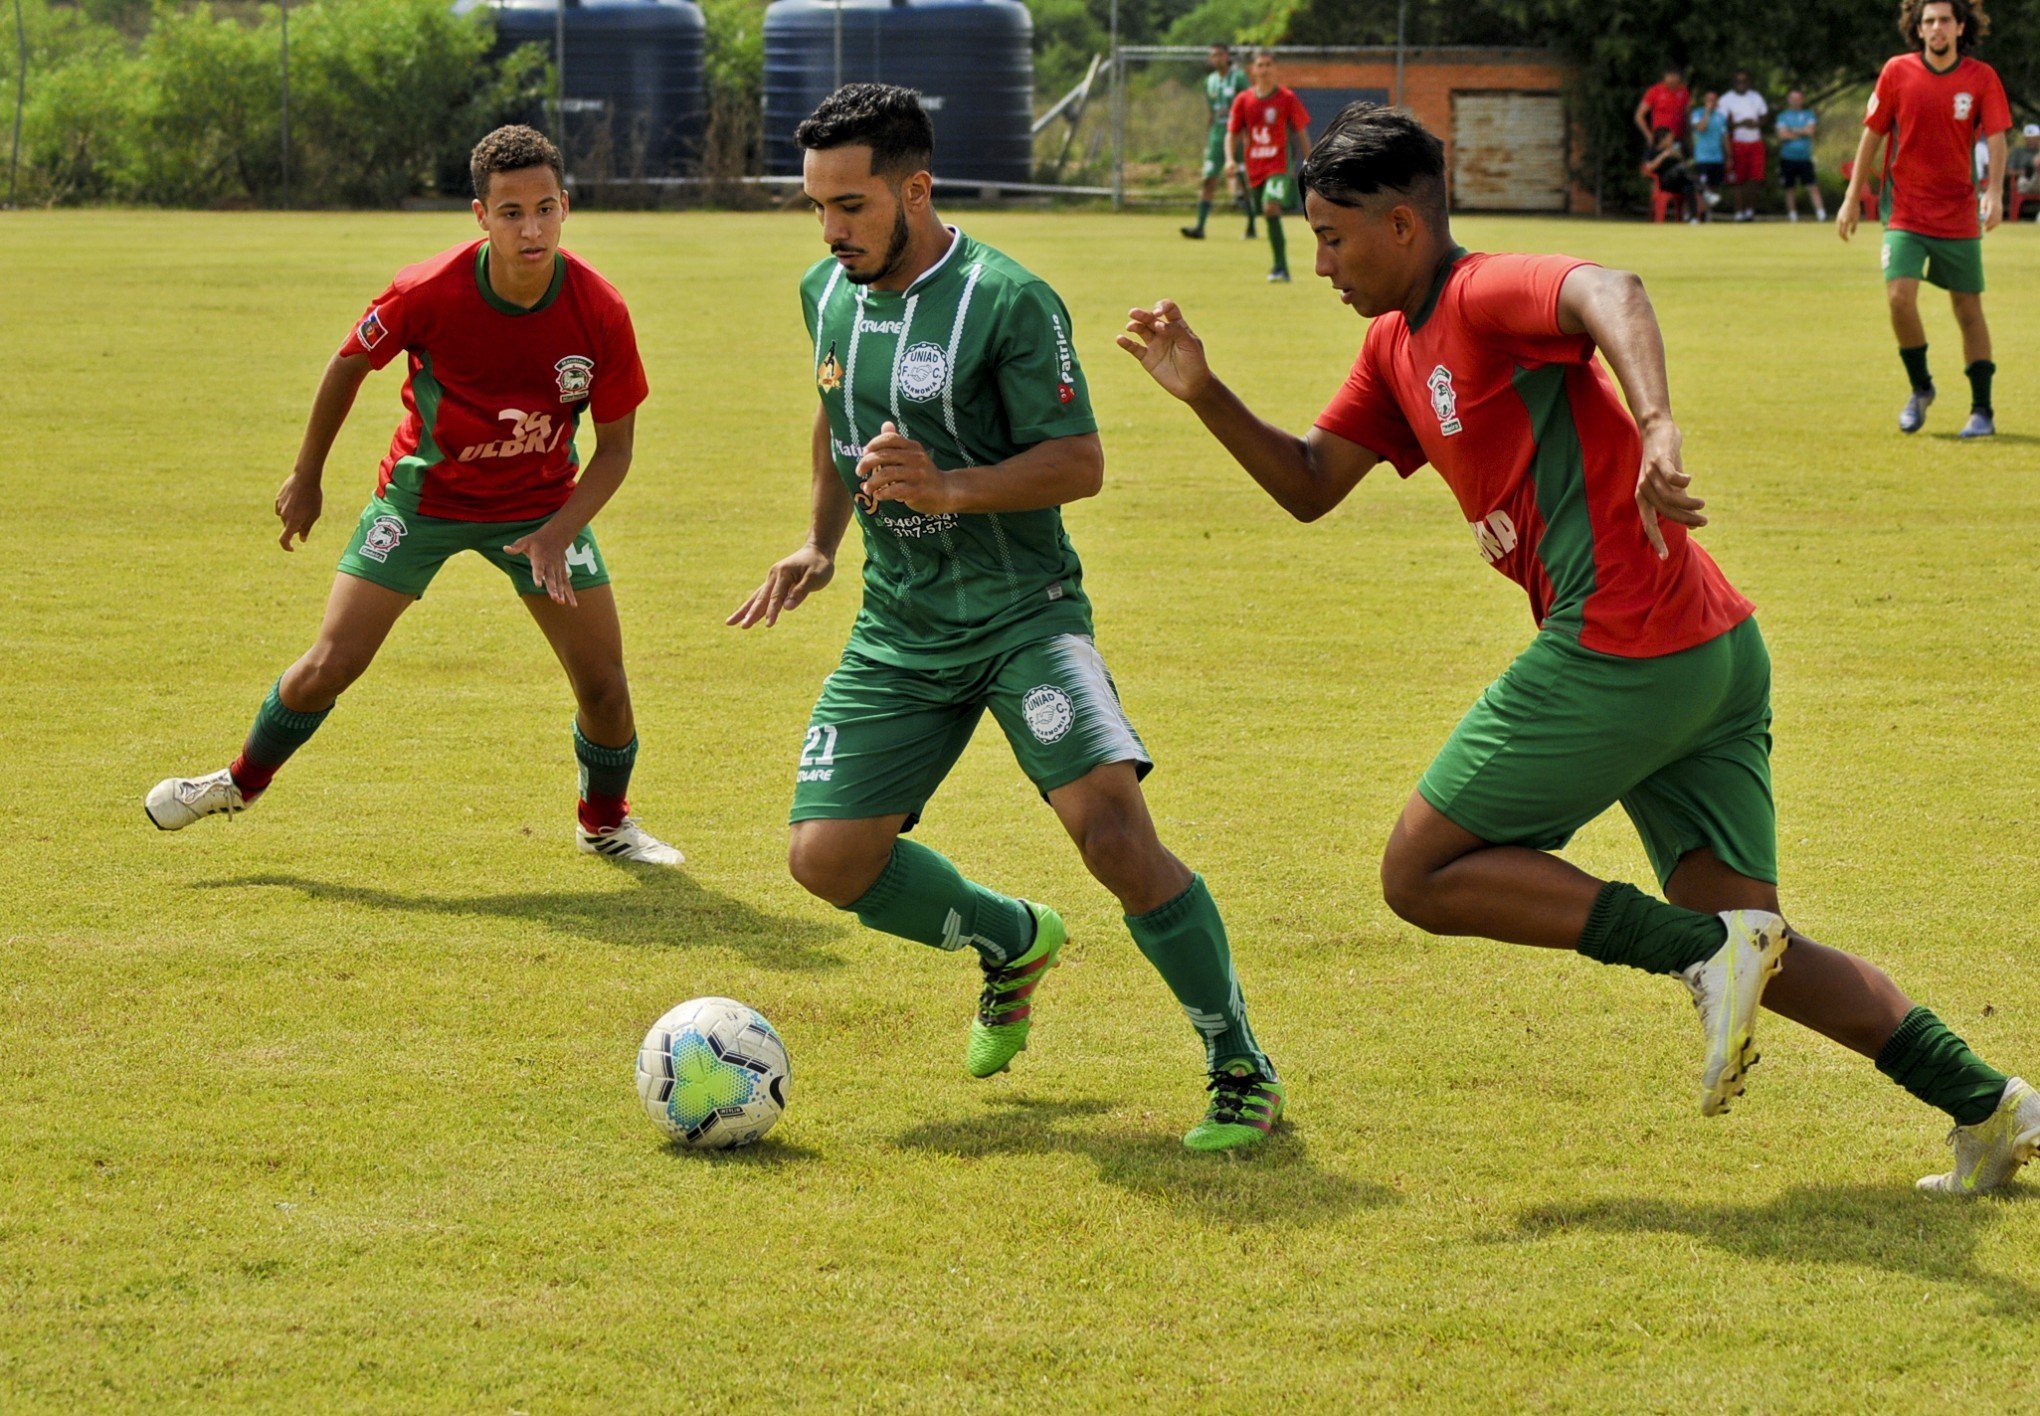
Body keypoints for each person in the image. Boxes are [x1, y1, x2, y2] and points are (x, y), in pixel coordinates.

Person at [1118, 101, 2039, 1195]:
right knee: (1761, 940)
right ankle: (1994, 1105)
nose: (1321, 261)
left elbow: (1614, 291)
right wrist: (1204, 391)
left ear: (1405, 225)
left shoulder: (1477, 291)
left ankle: (1704, 955)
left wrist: (1654, 423)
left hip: (1622, 645)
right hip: (1709, 655)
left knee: (1419, 873)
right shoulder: (1391, 346)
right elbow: (1313, 486)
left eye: (1333, 236)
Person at [730, 84, 1283, 1153]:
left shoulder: (1008, 300)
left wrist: (950, 489)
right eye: (817, 208)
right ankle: (1011, 940)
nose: (832, 229)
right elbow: (836, 409)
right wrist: (821, 540)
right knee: (827, 861)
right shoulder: (827, 292)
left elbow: (1080, 464)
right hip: (898, 624)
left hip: (1022, 615)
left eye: (851, 205)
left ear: (916, 189)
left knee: (1117, 838)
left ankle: (1238, 1064)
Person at [145, 126, 682, 865]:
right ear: (480, 216)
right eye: (511, 212)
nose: (532, 229)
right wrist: (307, 476)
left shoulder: (600, 310)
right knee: (332, 662)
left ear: (567, 207)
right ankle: (239, 781)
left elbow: (616, 452)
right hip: (421, 500)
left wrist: (560, 532)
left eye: (546, 209)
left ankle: (605, 822)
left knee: (605, 685)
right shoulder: (427, 290)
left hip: (539, 508)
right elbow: (346, 365)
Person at [1839, 0, 2010, 438]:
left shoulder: (1981, 78)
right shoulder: (1897, 71)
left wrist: (1993, 191)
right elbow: (1871, 134)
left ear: (1959, 27)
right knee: (1899, 297)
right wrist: (1853, 195)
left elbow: (1996, 137)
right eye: (1928, 21)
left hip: (1958, 212)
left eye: (1944, 21)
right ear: (1917, 28)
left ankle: (1982, 411)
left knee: (1968, 308)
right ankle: (1921, 388)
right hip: (1906, 210)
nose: (1936, 28)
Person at [1227, 51, 1313, 282]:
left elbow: (1301, 131)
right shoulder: (1243, 100)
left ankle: (1281, 268)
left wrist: (1310, 161)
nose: (1264, 69)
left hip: (1279, 165)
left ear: (1275, 69)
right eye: (1260, 65)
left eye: (1268, 65)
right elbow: (1232, 134)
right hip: (1255, 166)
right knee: (1261, 211)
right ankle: (1278, 265)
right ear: (1253, 70)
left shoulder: (1287, 98)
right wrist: (1230, 159)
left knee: (1270, 207)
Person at [1181, 42, 1254, 241]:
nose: (1217, 59)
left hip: (1237, 132)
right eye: (1213, 55)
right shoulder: (1210, 81)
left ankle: (1251, 224)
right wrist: (1210, 133)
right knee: (1208, 178)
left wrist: (1247, 134)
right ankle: (1200, 226)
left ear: (1227, 57)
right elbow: (1211, 110)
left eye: (1220, 55)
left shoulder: (1238, 77)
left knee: (1242, 179)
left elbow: (1249, 104)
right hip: (1217, 133)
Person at [1718, 71, 1770, 220]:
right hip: (1737, 142)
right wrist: (1741, 123)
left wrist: (1757, 124)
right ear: (1734, 83)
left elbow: (1765, 115)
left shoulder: (1756, 97)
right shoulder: (1726, 99)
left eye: (1744, 81)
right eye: (1738, 81)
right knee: (1737, 179)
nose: (1742, 84)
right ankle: (1739, 211)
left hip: (1755, 141)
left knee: (1755, 178)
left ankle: (1750, 211)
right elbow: (1722, 122)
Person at [1775, 89, 1827, 222]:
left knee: (1812, 186)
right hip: (1788, 157)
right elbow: (1782, 135)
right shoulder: (1783, 116)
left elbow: (1810, 131)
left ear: (1802, 100)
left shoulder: (1808, 114)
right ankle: (1793, 216)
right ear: (1789, 100)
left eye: (1798, 98)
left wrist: (1792, 131)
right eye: (1793, 98)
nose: (1795, 101)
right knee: (1789, 188)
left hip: (1805, 158)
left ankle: (1821, 214)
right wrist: (1801, 131)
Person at [1643, 126, 1697, 221]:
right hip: (1663, 183)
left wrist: (1679, 157)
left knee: (1689, 186)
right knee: (1681, 169)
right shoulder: (1652, 150)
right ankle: (1705, 192)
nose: (1672, 140)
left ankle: (1693, 218)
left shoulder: (1675, 150)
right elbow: (1648, 167)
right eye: (1669, 138)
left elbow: (1689, 164)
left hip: (1679, 182)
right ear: (1662, 139)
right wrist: (1664, 155)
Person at [1689, 90, 1727, 217]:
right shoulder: (1697, 114)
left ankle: (1706, 214)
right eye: (1709, 99)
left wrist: (1729, 155)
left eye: (1714, 100)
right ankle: (1695, 214)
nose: (1711, 102)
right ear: (1704, 101)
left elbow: (1724, 137)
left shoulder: (1721, 116)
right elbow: (1701, 128)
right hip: (1702, 157)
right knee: (1702, 188)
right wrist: (1706, 112)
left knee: (1713, 189)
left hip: (1717, 158)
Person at [1635, 67, 1691, 147]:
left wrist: (1689, 136)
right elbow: (1639, 116)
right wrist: (1649, 136)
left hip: (1678, 139)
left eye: (1675, 78)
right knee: (1655, 159)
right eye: (1670, 77)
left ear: (1679, 78)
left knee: (1677, 159)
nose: (1672, 81)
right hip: (1659, 139)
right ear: (1665, 77)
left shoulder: (1683, 91)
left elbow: (1687, 115)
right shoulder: (1654, 91)